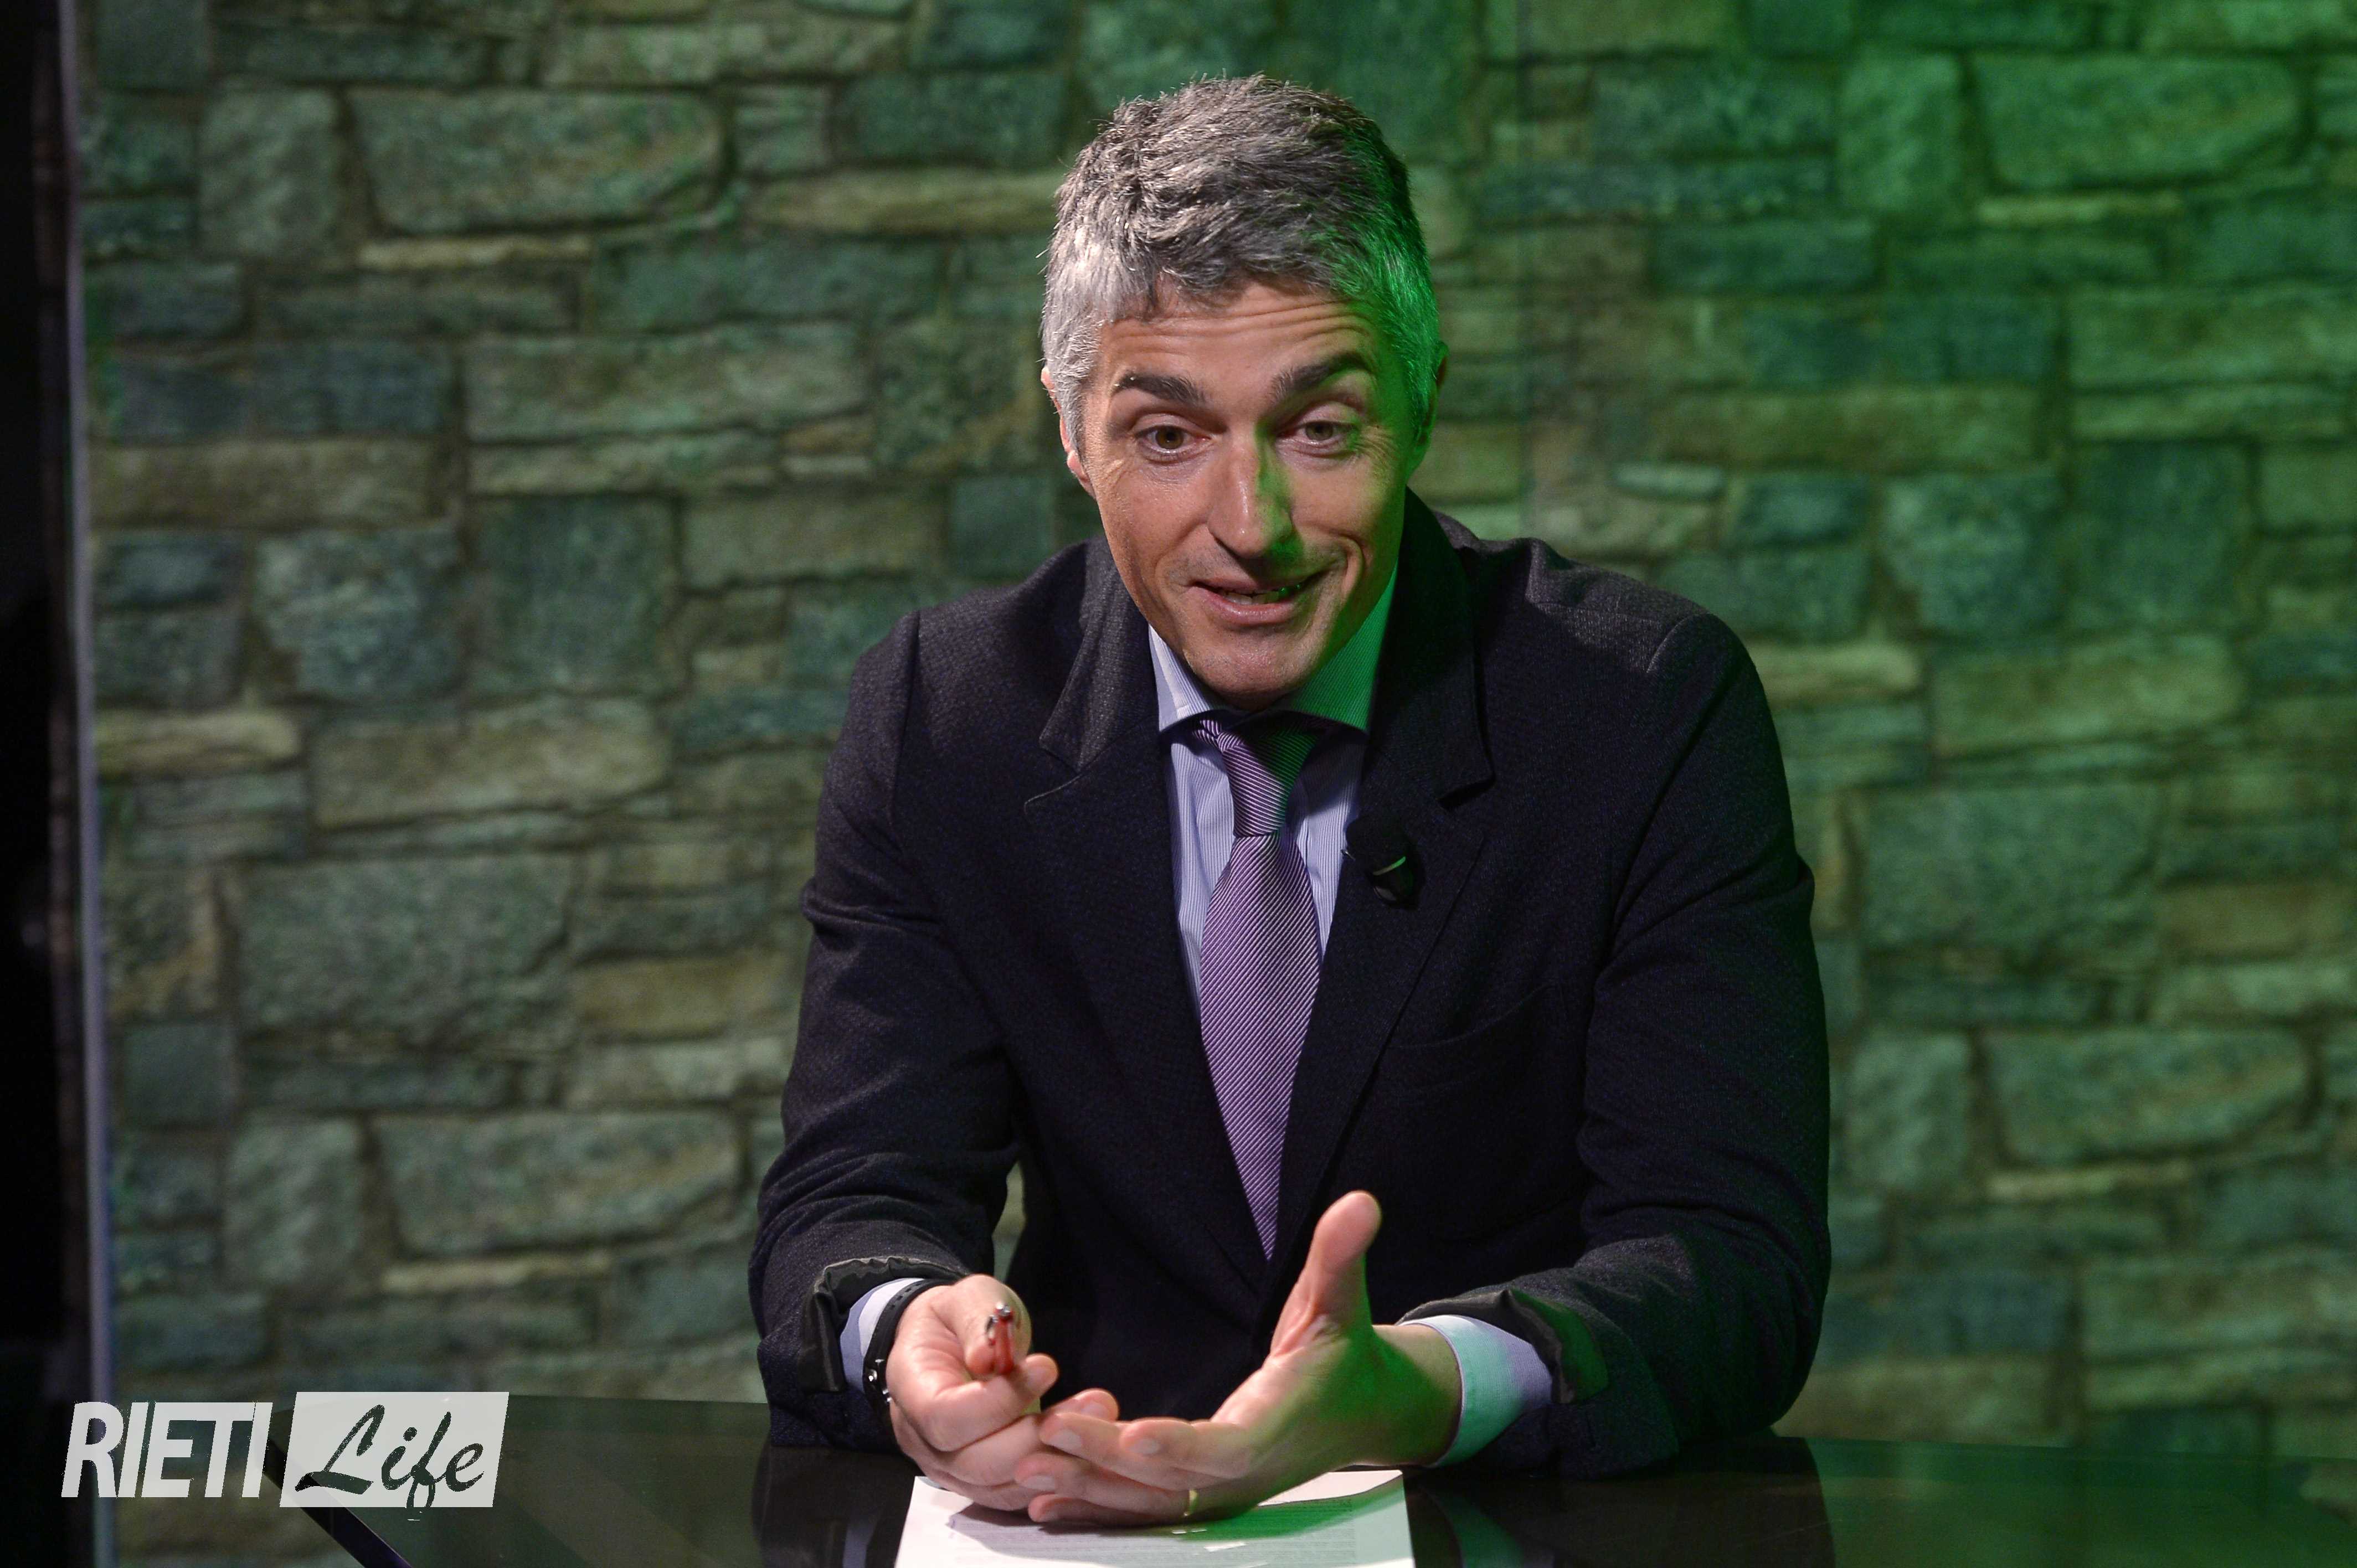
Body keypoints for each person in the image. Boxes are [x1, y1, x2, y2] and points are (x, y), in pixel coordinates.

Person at [749, 75, 1828, 1526]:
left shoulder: (1642, 711)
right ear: (1071, 428)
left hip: (1490, 1524)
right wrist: (907, 1334)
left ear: (1423, 398)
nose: (1250, 528)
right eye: (1167, 437)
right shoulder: (947, 717)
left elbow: (1731, 1261)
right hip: (1080, 1522)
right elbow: (849, 1199)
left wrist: (1420, 1388)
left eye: (1320, 429)